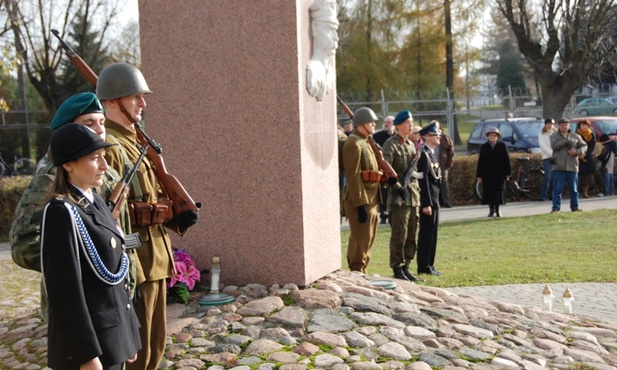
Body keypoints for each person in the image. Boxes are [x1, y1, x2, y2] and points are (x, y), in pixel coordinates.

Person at [96, 62, 199, 370]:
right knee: (135, 356)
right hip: (134, 263)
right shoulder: (110, 147)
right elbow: (110, 212)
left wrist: (174, 214)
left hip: (154, 257)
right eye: (135, 97)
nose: (143, 103)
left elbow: (149, 196)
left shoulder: (135, 140)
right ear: (114, 101)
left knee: (154, 351)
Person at [9, 92, 141, 319]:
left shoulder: (107, 175)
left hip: (117, 292)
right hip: (80, 301)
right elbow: (24, 245)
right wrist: (89, 262)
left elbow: (121, 232)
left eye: (101, 122)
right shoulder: (51, 181)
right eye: (88, 123)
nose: (99, 129)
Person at [41, 123, 141, 370]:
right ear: (68, 164)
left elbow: (115, 279)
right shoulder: (61, 212)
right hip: (90, 350)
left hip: (112, 339)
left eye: (104, 157)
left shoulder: (94, 201)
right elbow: (65, 293)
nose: (105, 166)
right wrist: (85, 355)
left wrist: (127, 335)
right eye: (94, 158)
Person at [382, 110, 420, 282]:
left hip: (412, 196)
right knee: (399, 234)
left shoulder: (411, 145)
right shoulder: (391, 145)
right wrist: (398, 188)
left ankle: (407, 265)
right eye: (407, 123)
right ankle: (397, 268)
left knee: (412, 232)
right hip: (398, 198)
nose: (410, 126)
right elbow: (386, 171)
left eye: (411, 123)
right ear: (398, 125)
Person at [342, 107, 381, 273]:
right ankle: (357, 271)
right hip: (360, 200)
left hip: (371, 199)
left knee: (368, 239)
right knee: (360, 240)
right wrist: (360, 204)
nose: (373, 124)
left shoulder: (365, 142)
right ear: (360, 124)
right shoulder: (353, 144)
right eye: (370, 122)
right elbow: (353, 176)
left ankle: (363, 269)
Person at [415, 122, 443, 276]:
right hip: (429, 201)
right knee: (426, 234)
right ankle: (423, 266)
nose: (438, 136)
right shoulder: (424, 154)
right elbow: (423, 181)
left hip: (435, 199)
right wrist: (426, 203)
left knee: (433, 234)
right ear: (426, 137)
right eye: (435, 134)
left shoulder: (432, 152)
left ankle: (430, 265)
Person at [550, 118, 587, 213]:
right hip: (559, 166)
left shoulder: (575, 136)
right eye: (562, 125)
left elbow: (584, 146)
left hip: (572, 166)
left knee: (574, 189)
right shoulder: (554, 136)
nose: (565, 127)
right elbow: (554, 146)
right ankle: (555, 208)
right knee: (557, 189)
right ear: (558, 126)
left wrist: (577, 151)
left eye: (566, 125)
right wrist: (566, 141)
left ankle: (575, 207)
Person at [306, 0, 339, 101]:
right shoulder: (313, 70)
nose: (336, 37)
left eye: (335, 30)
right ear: (314, 28)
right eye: (329, 29)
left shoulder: (330, 72)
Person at [476, 127, 511, 217]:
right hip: (487, 174)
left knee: (498, 192)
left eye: (494, 135)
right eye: (490, 135)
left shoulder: (502, 146)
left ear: (497, 136)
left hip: (499, 173)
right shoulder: (484, 147)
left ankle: (498, 209)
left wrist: (508, 173)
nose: (492, 137)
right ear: (488, 136)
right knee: (489, 192)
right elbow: (480, 161)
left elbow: (506, 160)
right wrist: (479, 175)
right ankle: (491, 210)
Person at [373, 115, 395, 224]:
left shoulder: (397, 137)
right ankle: (383, 214)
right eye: (385, 122)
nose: (386, 124)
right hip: (381, 170)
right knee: (383, 193)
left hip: (394, 169)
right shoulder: (377, 137)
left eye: (389, 122)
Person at [433, 121, 454, 208]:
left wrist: (448, 163)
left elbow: (451, 150)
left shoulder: (444, 137)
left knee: (444, 182)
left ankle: (446, 202)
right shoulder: (428, 137)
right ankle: (436, 201)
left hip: (442, 164)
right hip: (432, 164)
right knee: (434, 183)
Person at [576, 119, 596, 198]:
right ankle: (577, 192)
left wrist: (586, 154)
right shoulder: (577, 134)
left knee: (588, 176)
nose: (584, 127)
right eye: (582, 125)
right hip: (578, 157)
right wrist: (579, 154)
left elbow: (592, 147)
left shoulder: (592, 134)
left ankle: (585, 192)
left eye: (585, 125)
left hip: (588, 157)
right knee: (579, 175)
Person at [538, 118, 557, 201]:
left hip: (556, 157)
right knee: (548, 176)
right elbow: (543, 146)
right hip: (547, 157)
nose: (550, 126)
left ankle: (552, 195)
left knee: (555, 177)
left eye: (551, 124)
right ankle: (543, 195)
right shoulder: (542, 134)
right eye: (548, 124)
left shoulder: (556, 133)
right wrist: (552, 154)